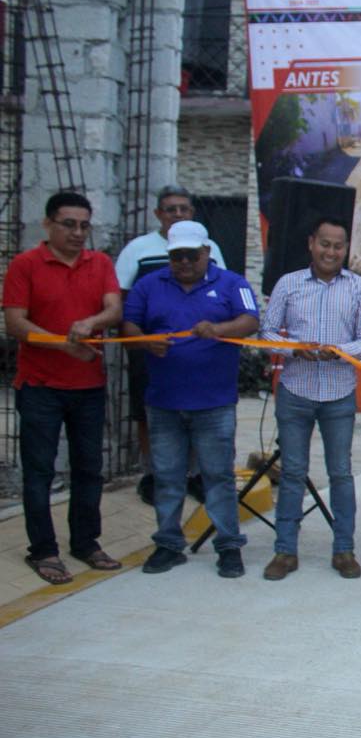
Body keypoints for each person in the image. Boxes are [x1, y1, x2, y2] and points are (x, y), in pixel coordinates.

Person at [121, 221, 258, 579]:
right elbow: (128, 324)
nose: (183, 262)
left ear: (206, 253)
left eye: (190, 255)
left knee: (218, 477)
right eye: (176, 256)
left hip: (214, 403)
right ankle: (168, 544)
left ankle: (228, 546)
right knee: (166, 477)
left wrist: (219, 330)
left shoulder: (231, 283)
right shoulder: (149, 284)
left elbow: (250, 320)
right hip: (164, 401)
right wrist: (144, 341)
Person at [2, 191, 122, 585]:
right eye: (68, 224)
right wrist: (64, 345)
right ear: (48, 225)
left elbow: (113, 309)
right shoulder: (25, 265)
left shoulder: (100, 262)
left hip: (88, 386)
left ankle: (85, 542)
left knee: (89, 469)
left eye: (84, 225)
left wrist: (90, 323)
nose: (77, 232)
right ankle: (44, 550)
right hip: (40, 386)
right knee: (39, 471)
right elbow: (16, 323)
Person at [258, 216, 361, 581]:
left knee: (340, 473)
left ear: (346, 249)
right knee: (292, 472)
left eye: (338, 246)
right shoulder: (289, 284)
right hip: (295, 391)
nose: (331, 251)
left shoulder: (359, 288)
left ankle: (344, 550)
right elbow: (265, 331)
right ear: (311, 243)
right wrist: (295, 349)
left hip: (339, 394)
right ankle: (284, 552)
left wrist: (338, 351)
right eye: (325, 243)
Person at [115, 185, 228, 505]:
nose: (177, 214)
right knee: (148, 413)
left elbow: (224, 291)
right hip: (152, 349)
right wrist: (141, 339)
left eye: (183, 209)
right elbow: (122, 298)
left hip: (199, 348)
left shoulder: (212, 248)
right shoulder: (137, 249)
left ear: (192, 213)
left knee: (197, 410)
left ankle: (193, 474)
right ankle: (154, 474)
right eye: (170, 209)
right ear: (158, 214)